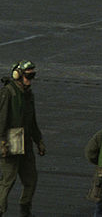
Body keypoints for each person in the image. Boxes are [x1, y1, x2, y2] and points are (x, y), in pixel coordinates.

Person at [0, 62, 45, 217]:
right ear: (17, 75)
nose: (30, 79)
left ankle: (25, 210)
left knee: (31, 180)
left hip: (25, 144)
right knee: (8, 181)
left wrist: (39, 141)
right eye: (28, 76)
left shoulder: (28, 94)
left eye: (33, 75)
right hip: (10, 144)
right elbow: (2, 120)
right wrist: (2, 142)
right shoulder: (8, 92)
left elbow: (32, 121)